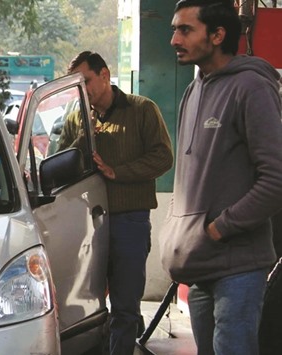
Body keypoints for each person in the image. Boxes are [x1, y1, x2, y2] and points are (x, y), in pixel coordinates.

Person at [161, 1, 282, 354]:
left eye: (185, 30)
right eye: (173, 29)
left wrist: (219, 228)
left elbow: (276, 179)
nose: (174, 40)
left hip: (238, 267)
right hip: (200, 268)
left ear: (217, 35)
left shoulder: (252, 87)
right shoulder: (192, 91)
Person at [58, 51, 173, 355]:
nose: (83, 90)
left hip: (128, 220)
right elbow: (57, 164)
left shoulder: (142, 110)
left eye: (86, 81)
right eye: (76, 85)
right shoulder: (76, 117)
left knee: (125, 304)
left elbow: (163, 157)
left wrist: (117, 172)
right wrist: (83, 136)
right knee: (81, 308)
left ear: (105, 75)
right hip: (84, 225)